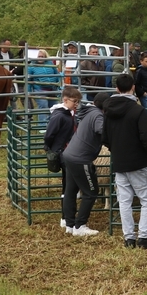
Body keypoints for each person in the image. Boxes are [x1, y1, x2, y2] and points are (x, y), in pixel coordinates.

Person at [103, 74, 147, 249]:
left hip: (119, 161)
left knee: (124, 200)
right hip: (138, 162)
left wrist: (116, 150)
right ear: (133, 87)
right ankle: (144, 237)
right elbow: (146, 135)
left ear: (117, 89)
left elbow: (105, 137)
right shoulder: (138, 110)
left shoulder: (108, 110)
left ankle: (129, 238)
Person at [61, 92, 110, 237]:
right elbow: (102, 131)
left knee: (71, 190)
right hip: (81, 159)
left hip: (70, 154)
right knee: (91, 191)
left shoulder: (89, 112)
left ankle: (69, 224)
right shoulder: (98, 116)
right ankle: (80, 226)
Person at [45, 85, 80, 228]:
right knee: (68, 186)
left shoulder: (69, 114)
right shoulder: (60, 116)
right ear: (65, 100)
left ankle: (67, 216)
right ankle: (65, 217)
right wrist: (52, 150)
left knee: (69, 185)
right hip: (63, 153)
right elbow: (49, 135)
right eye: (74, 101)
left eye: (78, 101)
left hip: (68, 152)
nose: (76, 104)